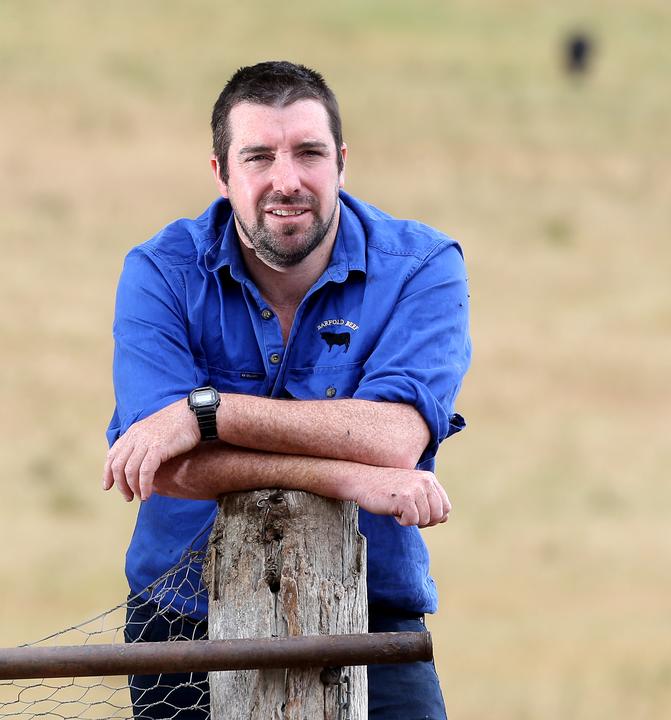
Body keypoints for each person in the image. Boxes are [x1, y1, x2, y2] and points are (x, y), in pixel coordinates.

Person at [102, 60, 470, 720]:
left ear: (342, 163)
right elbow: (169, 468)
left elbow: (395, 437)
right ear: (221, 173)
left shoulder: (423, 267)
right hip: (181, 616)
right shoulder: (160, 272)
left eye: (308, 152)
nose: (287, 180)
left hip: (372, 612)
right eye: (258, 156)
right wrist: (352, 481)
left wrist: (206, 411)